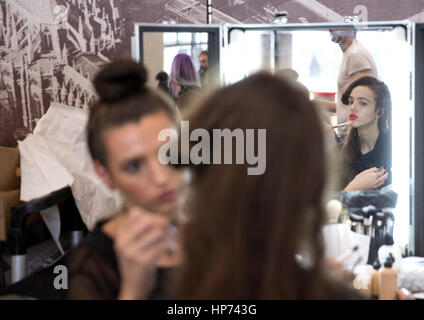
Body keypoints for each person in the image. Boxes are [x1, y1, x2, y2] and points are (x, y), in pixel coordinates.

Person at [65, 60, 184, 299]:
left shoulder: (216, 231)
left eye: (168, 153)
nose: (161, 177)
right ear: (105, 175)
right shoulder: (92, 266)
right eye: (133, 166)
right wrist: (133, 292)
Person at [318, 29, 378, 140]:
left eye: (336, 25)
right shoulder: (350, 54)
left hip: (355, 139)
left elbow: (363, 105)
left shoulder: (356, 55)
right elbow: (348, 105)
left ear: (350, 29)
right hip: (349, 137)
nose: (331, 28)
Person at [340, 76, 391, 192]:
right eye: (350, 102)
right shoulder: (339, 154)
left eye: (363, 103)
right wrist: (353, 188)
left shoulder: (395, 153)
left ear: (380, 111)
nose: (352, 107)